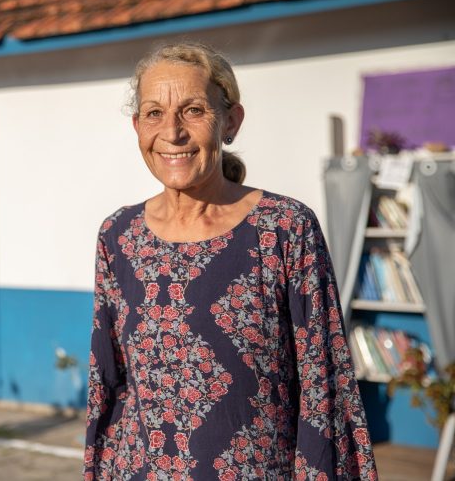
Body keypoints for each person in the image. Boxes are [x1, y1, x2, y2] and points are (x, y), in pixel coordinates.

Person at [84, 42, 377, 480]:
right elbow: (108, 385)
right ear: (137, 126)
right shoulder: (119, 236)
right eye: (154, 114)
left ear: (231, 122)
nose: (173, 133)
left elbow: (324, 383)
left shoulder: (285, 229)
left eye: (194, 110)